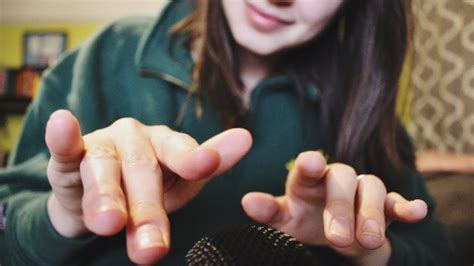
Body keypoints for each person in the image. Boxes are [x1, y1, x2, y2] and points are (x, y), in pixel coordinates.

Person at [0, 0, 453, 265]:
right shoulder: (103, 57)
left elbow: (435, 249)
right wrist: (64, 215)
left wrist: (368, 249)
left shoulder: (367, 111)